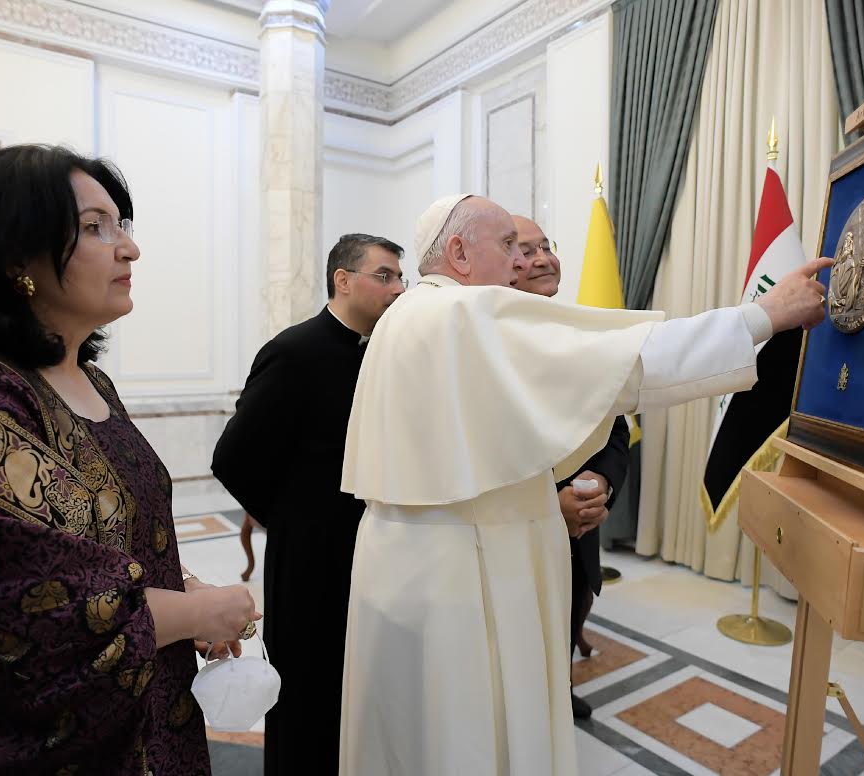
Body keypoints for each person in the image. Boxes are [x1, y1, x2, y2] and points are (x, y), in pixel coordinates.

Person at [338, 194, 831, 775]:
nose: (519, 262)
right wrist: (765, 315)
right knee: (472, 732)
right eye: (508, 246)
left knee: (411, 731)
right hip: (465, 571)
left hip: (399, 564)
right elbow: (633, 361)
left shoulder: (403, 317)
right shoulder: (466, 312)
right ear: (458, 252)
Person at [0, 145, 258, 775]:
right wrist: (191, 613)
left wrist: (183, 592)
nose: (129, 249)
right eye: (95, 228)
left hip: (146, 713)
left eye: (122, 225)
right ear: (14, 257)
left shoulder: (92, 381)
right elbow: (23, 603)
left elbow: (108, 540)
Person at [212, 234, 406, 776]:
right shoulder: (294, 351)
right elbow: (233, 457)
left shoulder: (384, 356)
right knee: (307, 696)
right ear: (343, 280)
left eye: (400, 277)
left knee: (359, 690)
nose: (398, 288)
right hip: (309, 560)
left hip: (372, 553)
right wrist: (294, 520)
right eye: (385, 276)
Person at [512, 214, 628, 720]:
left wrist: (601, 480)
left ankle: (558, 692)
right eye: (526, 250)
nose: (543, 259)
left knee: (570, 611)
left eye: (547, 246)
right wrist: (546, 502)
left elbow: (615, 429)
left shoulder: (582, 333)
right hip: (516, 533)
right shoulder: (484, 341)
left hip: (580, 525)